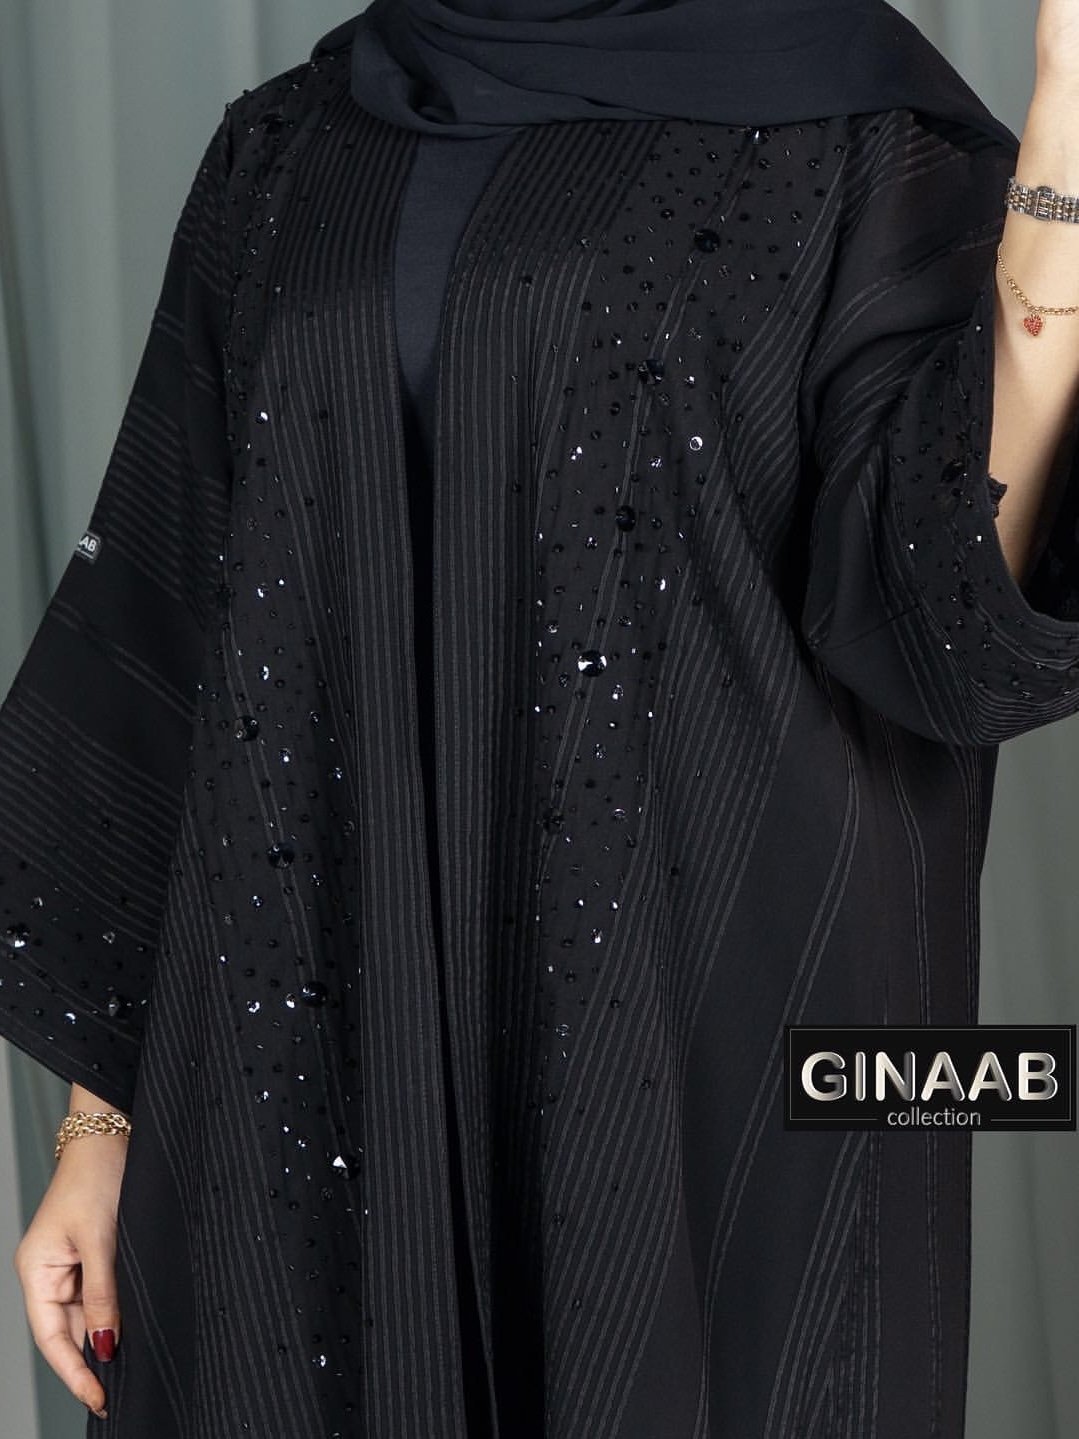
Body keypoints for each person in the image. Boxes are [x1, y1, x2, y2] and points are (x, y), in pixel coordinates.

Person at [3, 2, 1079, 1435]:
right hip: (313, 1031)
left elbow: (953, 621)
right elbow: (167, 634)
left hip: (712, 1035)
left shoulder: (868, 140)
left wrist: (1068, 126)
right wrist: (101, 1124)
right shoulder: (288, 149)